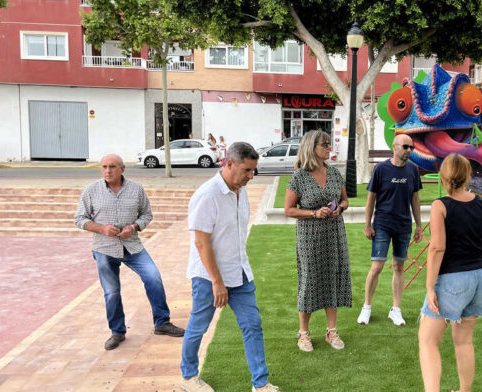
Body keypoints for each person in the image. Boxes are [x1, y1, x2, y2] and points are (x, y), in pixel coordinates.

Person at [180, 142, 279, 392]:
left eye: (253, 170)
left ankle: (260, 384)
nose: (251, 176)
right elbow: (201, 243)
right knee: (199, 326)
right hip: (208, 276)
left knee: (252, 325)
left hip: (240, 273)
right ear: (230, 163)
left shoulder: (241, 191)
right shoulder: (207, 195)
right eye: (247, 170)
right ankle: (189, 377)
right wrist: (217, 282)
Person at [75, 154, 184, 351]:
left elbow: (147, 214)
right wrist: (102, 229)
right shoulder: (91, 191)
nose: (107, 171)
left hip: (132, 245)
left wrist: (133, 227)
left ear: (122, 169)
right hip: (104, 248)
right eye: (104, 167)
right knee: (111, 291)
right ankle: (117, 332)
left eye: (112, 167)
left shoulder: (136, 189)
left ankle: (162, 323)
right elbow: (80, 219)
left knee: (153, 277)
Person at [418, 153, 482, 392]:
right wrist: (473, 241)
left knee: (428, 340)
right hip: (480, 278)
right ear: (468, 176)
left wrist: (429, 287)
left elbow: (437, 247)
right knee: (464, 341)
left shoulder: (440, 205)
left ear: (443, 177)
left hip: (453, 280)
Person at [284, 130, 351, 352]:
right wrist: (313, 213)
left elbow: (345, 200)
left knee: (333, 278)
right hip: (310, 236)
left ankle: (332, 331)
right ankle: (303, 333)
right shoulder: (299, 177)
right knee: (309, 281)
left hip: (334, 234)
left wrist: (339, 209)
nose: (329, 148)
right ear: (311, 147)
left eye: (330, 144)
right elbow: (288, 210)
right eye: (325, 144)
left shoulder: (334, 173)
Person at [358, 134, 423, 326]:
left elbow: (415, 198)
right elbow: (371, 198)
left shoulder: (413, 170)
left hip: (404, 225)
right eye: (405, 147)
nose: (409, 150)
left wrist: (419, 225)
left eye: (411, 147)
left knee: (399, 266)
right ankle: (366, 307)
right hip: (383, 224)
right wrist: (367, 224)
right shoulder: (381, 169)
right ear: (394, 147)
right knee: (377, 267)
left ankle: (395, 309)